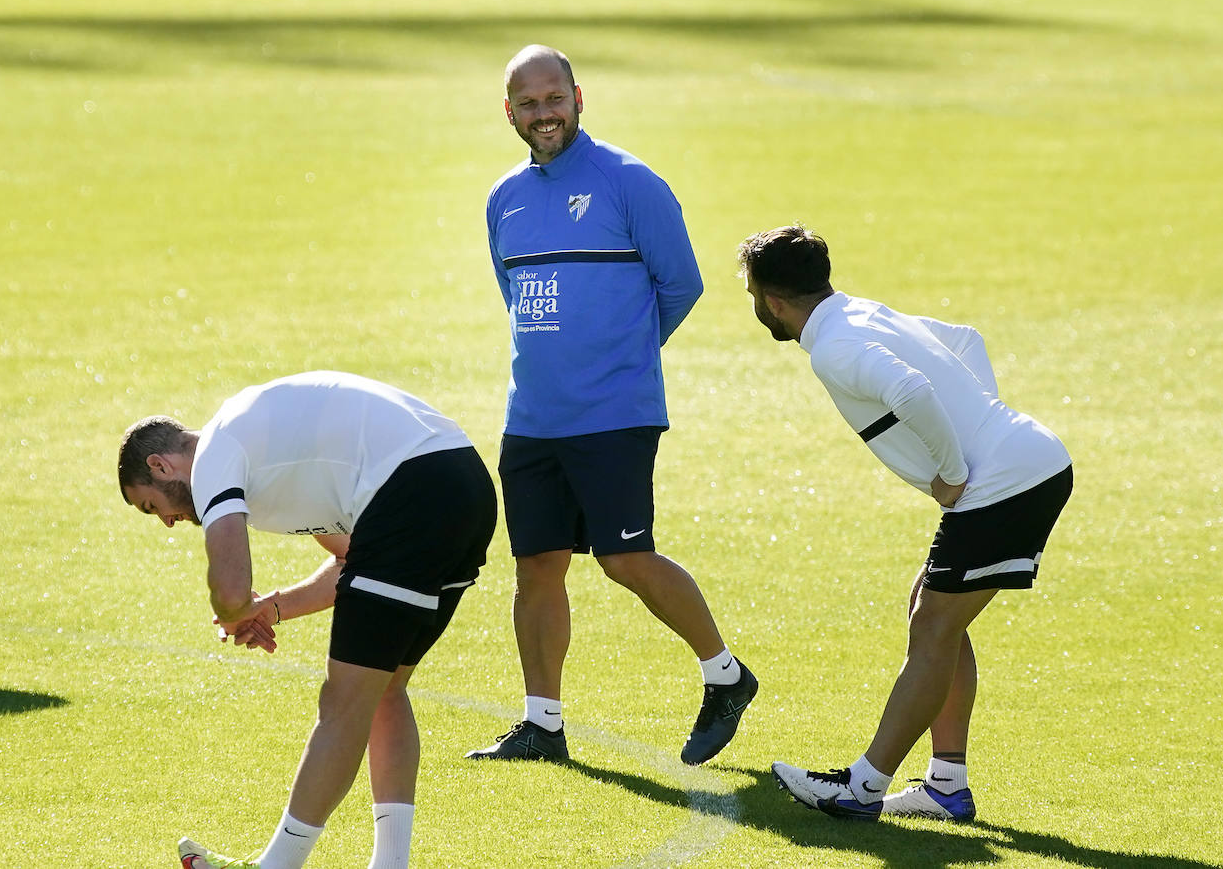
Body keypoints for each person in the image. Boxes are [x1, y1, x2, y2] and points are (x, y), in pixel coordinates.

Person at [467, 44, 756, 766]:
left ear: (578, 97)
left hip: (615, 413)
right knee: (535, 565)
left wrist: (621, 357)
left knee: (625, 558)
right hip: (531, 417)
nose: (544, 113)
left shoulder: (630, 182)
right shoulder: (503, 199)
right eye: (527, 103)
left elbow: (681, 285)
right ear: (509, 112)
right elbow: (518, 301)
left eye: (553, 98)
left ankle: (726, 675)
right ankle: (542, 724)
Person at [739, 226, 1073, 822]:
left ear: (772, 301)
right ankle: (946, 784)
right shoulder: (861, 311)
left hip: (1006, 483)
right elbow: (967, 340)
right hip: (1030, 461)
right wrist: (986, 424)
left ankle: (863, 787)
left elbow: (912, 390)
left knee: (934, 626)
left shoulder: (834, 347)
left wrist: (953, 469)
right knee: (932, 612)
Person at [117, 371, 496, 869]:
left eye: (153, 506)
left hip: (413, 491)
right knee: (383, 688)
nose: (167, 523)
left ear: (161, 464)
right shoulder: (265, 463)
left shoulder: (213, 457)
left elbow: (229, 590)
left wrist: (236, 612)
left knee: (342, 701)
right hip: (464, 486)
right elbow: (351, 562)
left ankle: (276, 866)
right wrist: (269, 610)